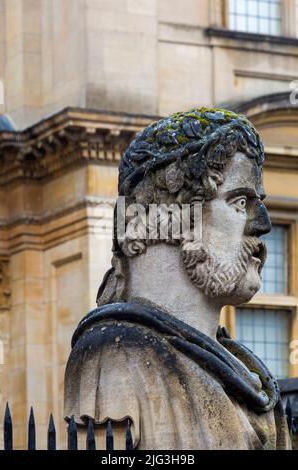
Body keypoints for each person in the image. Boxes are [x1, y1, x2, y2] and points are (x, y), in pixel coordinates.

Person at [64, 107, 291, 449]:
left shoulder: (249, 376)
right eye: (240, 202)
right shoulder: (117, 356)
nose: (263, 225)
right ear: (174, 218)